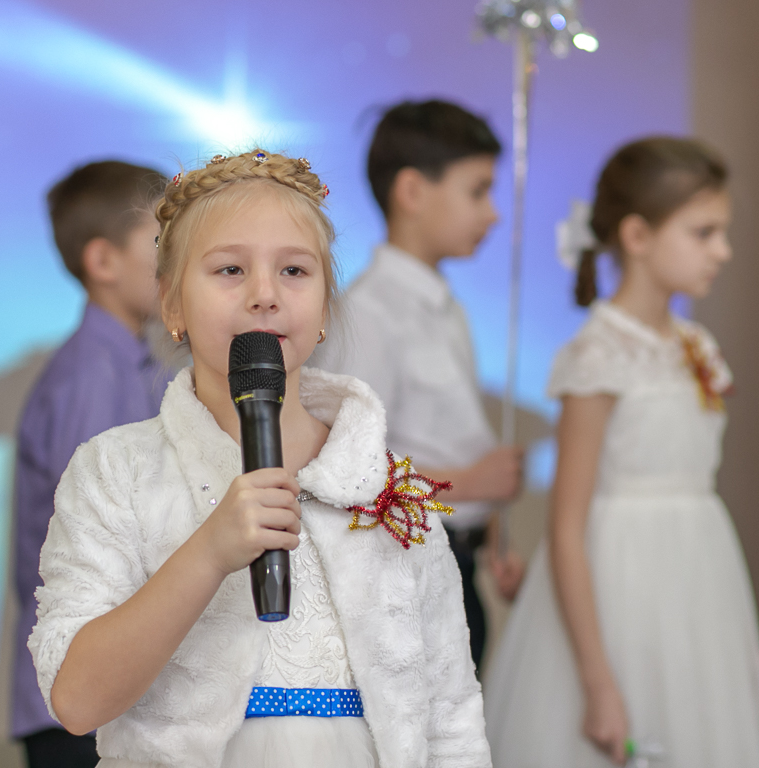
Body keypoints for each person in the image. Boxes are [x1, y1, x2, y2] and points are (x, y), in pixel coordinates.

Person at [28, 150, 491, 768]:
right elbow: (77, 700)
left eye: (295, 270)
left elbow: (452, 719)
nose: (265, 295)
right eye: (230, 270)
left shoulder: (388, 487)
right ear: (171, 302)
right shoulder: (116, 472)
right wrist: (208, 553)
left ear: (325, 307)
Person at [483, 137, 759, 767]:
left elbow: (692, 560)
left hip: (697, 590)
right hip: (617, 598)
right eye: (704, 233)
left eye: (722, 233)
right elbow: (566, 531)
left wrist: (746, 659)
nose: (723, 251)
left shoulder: (696, 344)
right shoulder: (598, 355)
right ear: (637, 235)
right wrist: (599, 684)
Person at [314, 100, 524, 669]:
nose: (493, 214)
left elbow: (444, 436)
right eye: (477, 191)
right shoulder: (370, 315)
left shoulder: (445, 308)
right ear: (412, 191)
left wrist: (493, 530)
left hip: (456, 564)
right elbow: (347, 470)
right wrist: (471, 484)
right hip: (402, 576)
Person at [12, 160, 171, 768]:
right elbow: (101, 544)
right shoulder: (91, 379)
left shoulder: (131, 367)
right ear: (103, 261)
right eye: (161, 240)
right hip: (84, 699)